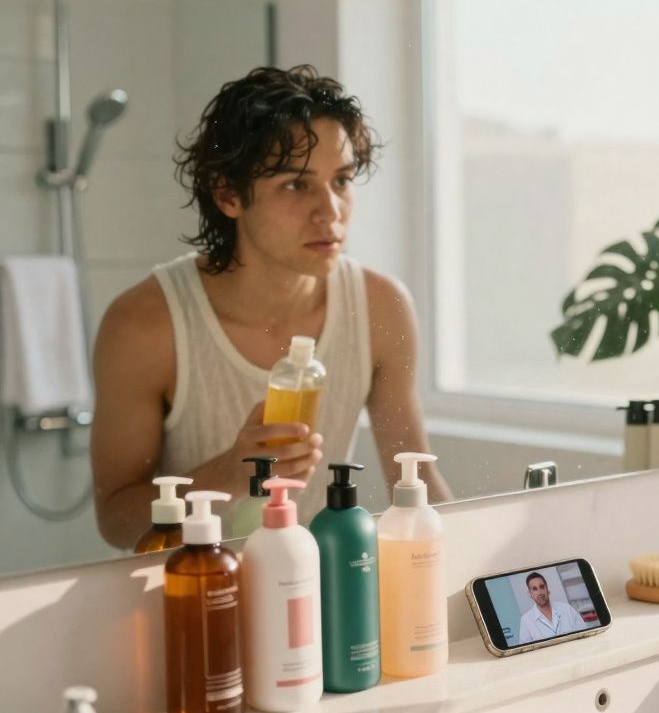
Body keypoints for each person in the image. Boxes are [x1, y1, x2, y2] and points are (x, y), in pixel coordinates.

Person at [91, 65, 452, 548]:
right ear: (227, 194)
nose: (331, 212)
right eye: (295, 185)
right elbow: (115, 520)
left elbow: (417, 486)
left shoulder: (381, 307)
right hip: (189, 598)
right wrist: (226, 473)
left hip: (321, 597)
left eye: (342, 180)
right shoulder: (145, 325)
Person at [517, 571, 587, 645]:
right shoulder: (526, 620)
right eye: (535, 589)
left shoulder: (567, 609)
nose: (540, 592)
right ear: (530, 594)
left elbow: (584, 634)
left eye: (542, 587)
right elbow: (527, 650)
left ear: (547, 589)